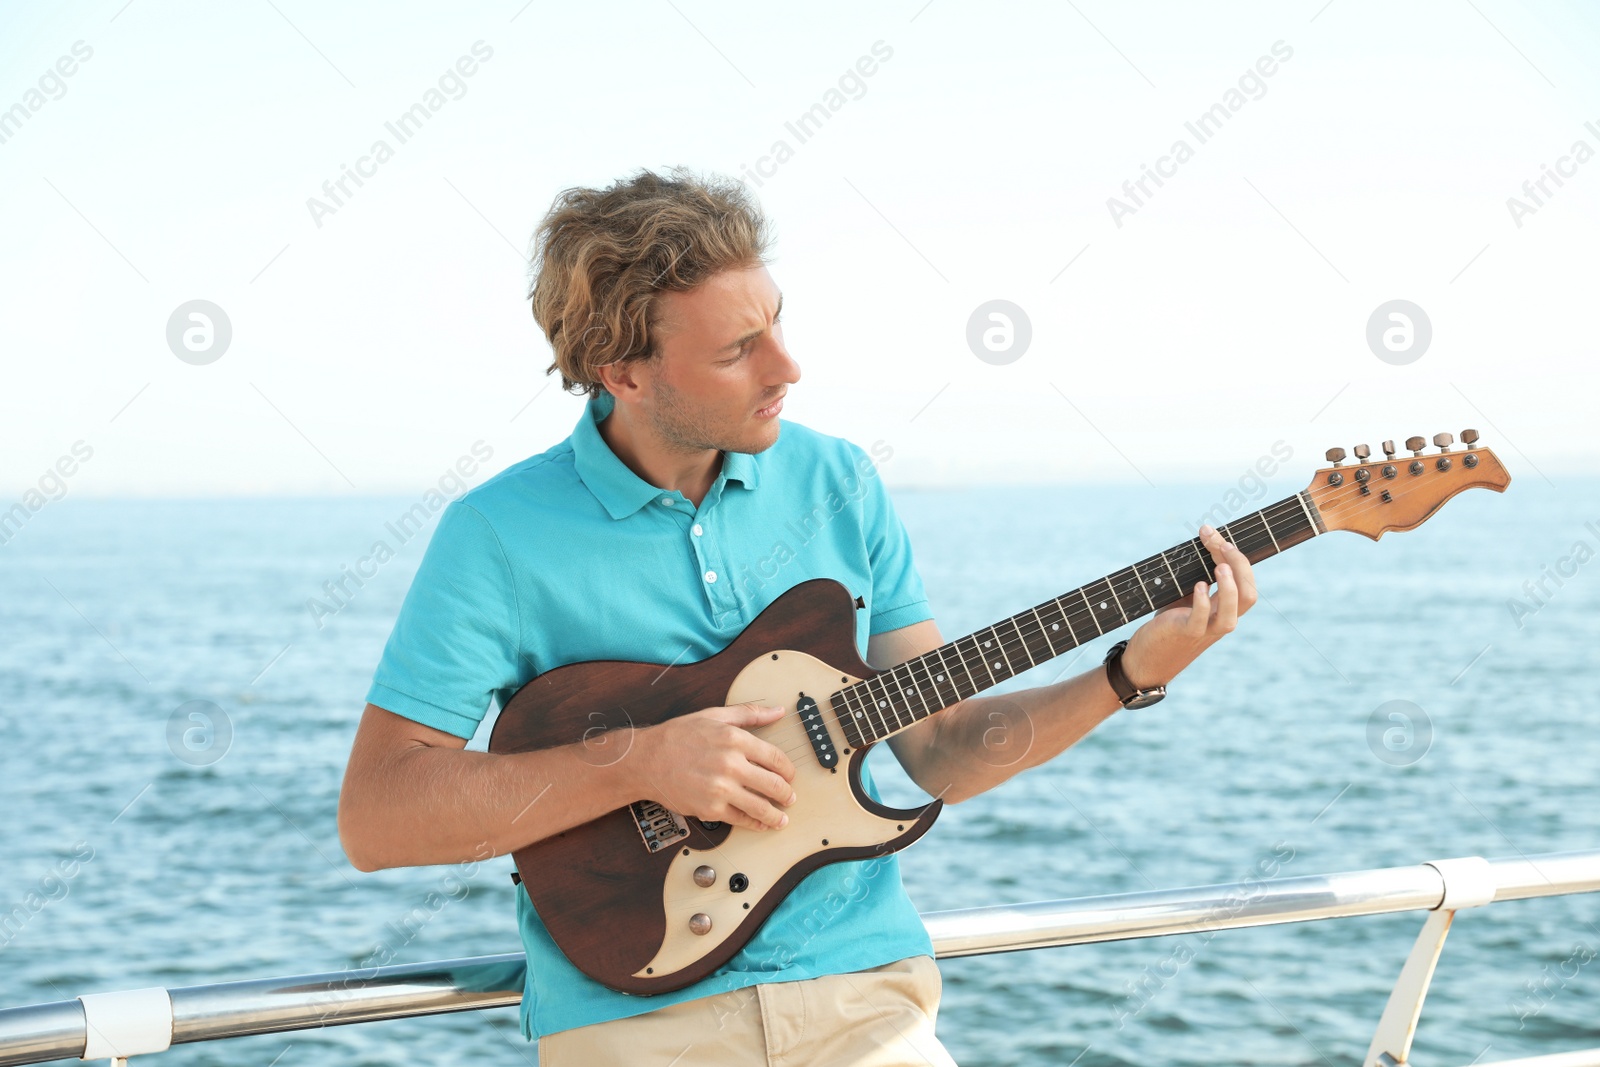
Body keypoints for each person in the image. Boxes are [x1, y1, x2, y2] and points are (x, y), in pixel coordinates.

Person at [336, 168, 1258, 1065]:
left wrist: (1128, 672)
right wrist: (641, 762)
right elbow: (378, 817)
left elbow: (939, 747)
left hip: (866, 1002)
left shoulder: (840, 481)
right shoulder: (497, 534)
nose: (787, 367)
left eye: (776, 324)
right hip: (634, 1025)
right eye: (738, 350)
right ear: (624, 370)